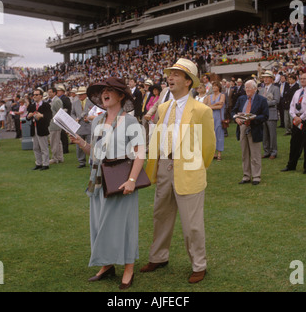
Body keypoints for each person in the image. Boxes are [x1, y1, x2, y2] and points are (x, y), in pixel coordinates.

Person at [141, 58, 216, 284]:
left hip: (190, 169)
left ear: (188, 81)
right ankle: (158, 257)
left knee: (192, 224)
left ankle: (199, 265)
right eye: (169, 74)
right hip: (164, 166)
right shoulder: (163, 107)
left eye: (175, 74)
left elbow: (208, 147)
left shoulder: (202, 110)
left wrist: (194, 166)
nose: (169, 77)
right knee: (160, 216)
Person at [69, 77, 145, 290]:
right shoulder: (96, 121)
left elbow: (140, 154)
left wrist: (131, 180)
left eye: (110, 90)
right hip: (98, 181)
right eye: (103, 90)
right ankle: (107, 265)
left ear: (121, 96)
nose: (105, 93)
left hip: (122, 181)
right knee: (100, 224)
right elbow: (96, 152)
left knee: (125, 226)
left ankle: (129, 268)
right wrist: (82, 143)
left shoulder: (131, 122)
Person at [231, 80, 269, 185]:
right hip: (242, 127)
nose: (247, 90)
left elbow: (265, 116)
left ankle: (256, 176)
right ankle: (246, 176)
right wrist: (236, 119)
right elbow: (233, 111)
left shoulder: (261, 100)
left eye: (249, 88)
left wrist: (253, 118)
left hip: (254, 128)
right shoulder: (241, 99)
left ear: (255, 89)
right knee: (244, 153)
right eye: (246, 88)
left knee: (255, 153)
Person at [281, 73, 306, 174]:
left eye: (305, 79)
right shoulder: (297, 92)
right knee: (294, 143)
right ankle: (291, 165)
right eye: (301, 79)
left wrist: (301, 118)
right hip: (297, 119)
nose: (302, 80)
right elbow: (292, 106)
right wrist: (294, 116)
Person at [27, 88, 52, 171]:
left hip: (42, 128)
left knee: (44, 147)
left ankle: (45, 164)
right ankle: (38, 163)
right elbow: (27, 117)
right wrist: (29, 116)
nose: (34, 96)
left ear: (41, 96)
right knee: (36, 147)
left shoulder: (46, 105)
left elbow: (49, 116)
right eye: (34, 95)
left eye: (36, 95)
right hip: (34, 128)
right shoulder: (32, 106)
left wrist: (42, 116)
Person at [258, 70, 280, 159]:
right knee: (264, 134)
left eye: (267, 77)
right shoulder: (261, 90)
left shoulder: (275, 88)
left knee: (272, 134)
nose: (265, 79)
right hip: (263, 115)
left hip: (271, 113)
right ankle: (266, 151)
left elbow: (276, 100)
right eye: (264, 77)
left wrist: (265, 104)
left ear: (271, 79)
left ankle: (273, 152)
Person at [71, 86, 94, 168]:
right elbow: (72, 113)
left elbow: (94, 112)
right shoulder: (75, 103)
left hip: (89, 126)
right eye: (78, 94)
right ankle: (81, 161)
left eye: (81, 94)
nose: (79, 96)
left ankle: (92, 159)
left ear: (85, 94)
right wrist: (75, 119)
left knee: (90, 144)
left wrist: (89, 118)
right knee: (79, 145)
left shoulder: (91, 102)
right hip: (79, 127)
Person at [204, 81, 225, 161]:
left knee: (219, 135)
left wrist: (211, 106)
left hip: (219, 118)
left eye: (216, 86)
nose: (214, 88)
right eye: (213, 87)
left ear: (219, 87)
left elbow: (220, 106)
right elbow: (204, 104)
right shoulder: (209, 96)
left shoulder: (222, 95)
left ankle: (219, 153)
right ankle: (213, 153)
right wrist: (216, 104)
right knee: (211, 135)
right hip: (210, 117)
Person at [56, 84, 72, 154]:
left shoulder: (65, 98)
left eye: (59, 91)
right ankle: (63, 148)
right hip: (60, 117)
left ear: (62, 91)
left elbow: (68, 108)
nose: (57, 92)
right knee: (61, 134)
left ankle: (65, 149)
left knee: (63, 134)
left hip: (64, 117)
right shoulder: (59, 98)